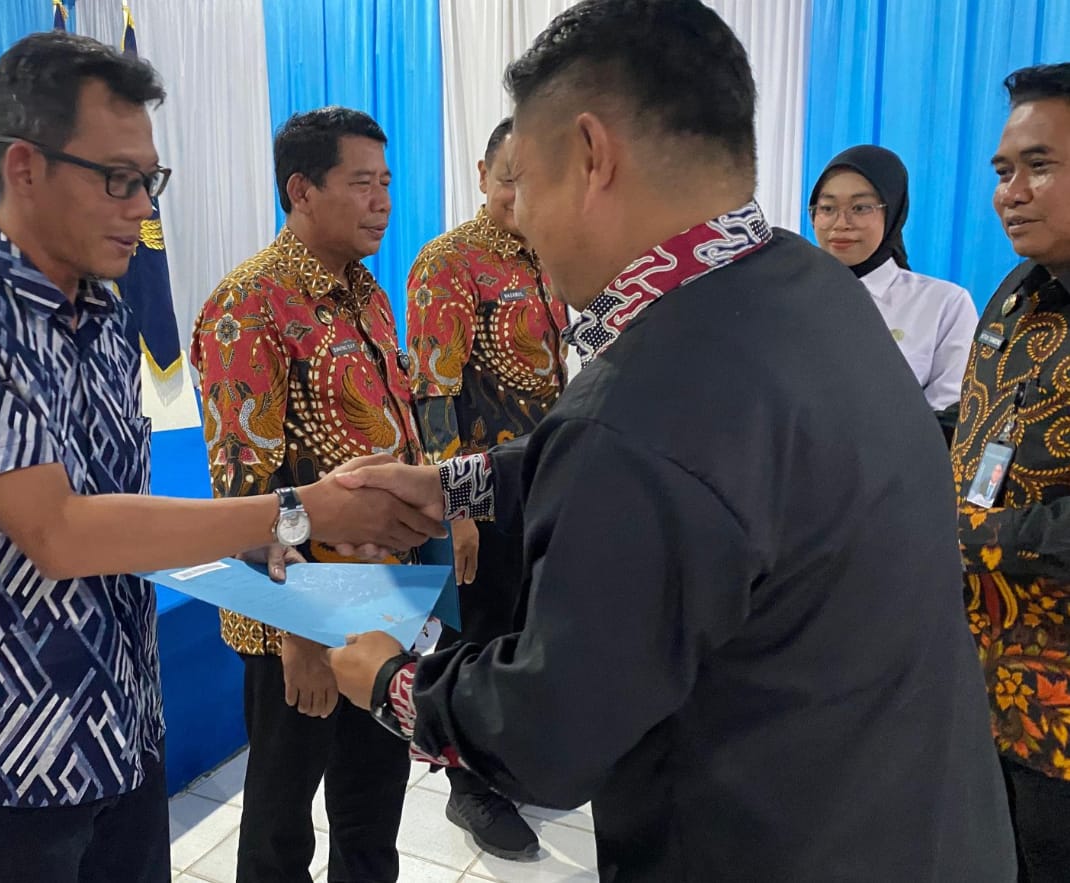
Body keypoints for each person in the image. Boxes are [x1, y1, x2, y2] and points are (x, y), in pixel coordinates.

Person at [326, 1, 1017, 879]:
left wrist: (393, 677)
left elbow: (547, 735)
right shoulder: (805, 282)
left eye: (525, 182)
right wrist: (454, 484)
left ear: (592, 155)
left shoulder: (642, 402)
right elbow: (703, 474)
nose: (521, 221)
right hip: (920, 822)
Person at [0, 35, 441, 883]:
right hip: (8, 756)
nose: (142, 208)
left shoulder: (103, 319)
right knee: (283, 821)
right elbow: (61, 533)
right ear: (24, 168)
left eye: (149, 180)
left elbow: (131, 516)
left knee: (366, 802)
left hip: (123, 725)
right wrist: (304, 518)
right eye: (117, 179)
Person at [191, 107, 423, 883]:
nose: (381, 202)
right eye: (361, 183)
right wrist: (301, 636)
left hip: (382, 592)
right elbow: (246, 483)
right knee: (281, 820)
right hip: (296, 615)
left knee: (374, 799)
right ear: (301, 189)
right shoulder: (248, 304)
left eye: (385, 182)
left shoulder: (367, 292)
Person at [404, 116, 568, 861]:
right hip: (479, 490)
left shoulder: (549, 252)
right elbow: (433, 392)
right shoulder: (450, 263)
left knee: (527, 627)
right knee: (475, 635)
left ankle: (512, 761)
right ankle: (467, 788)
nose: (520, 194)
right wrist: (459, 509)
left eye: (535, 179)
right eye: (508, 178)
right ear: (480, 174)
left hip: (542, 478)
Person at [950, 62, 1070, 882]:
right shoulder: (1017, 292)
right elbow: (978, 430)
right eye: (1002, 171)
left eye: (1040, 166)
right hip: (982, 684)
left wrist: (972, 535)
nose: (1011, 194)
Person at [809, 145, 978, 409]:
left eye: (860, 208)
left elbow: (951, 408)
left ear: (893, 212)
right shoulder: (788, 297)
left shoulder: (944, 304)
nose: (841, 223)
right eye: (828, 208)